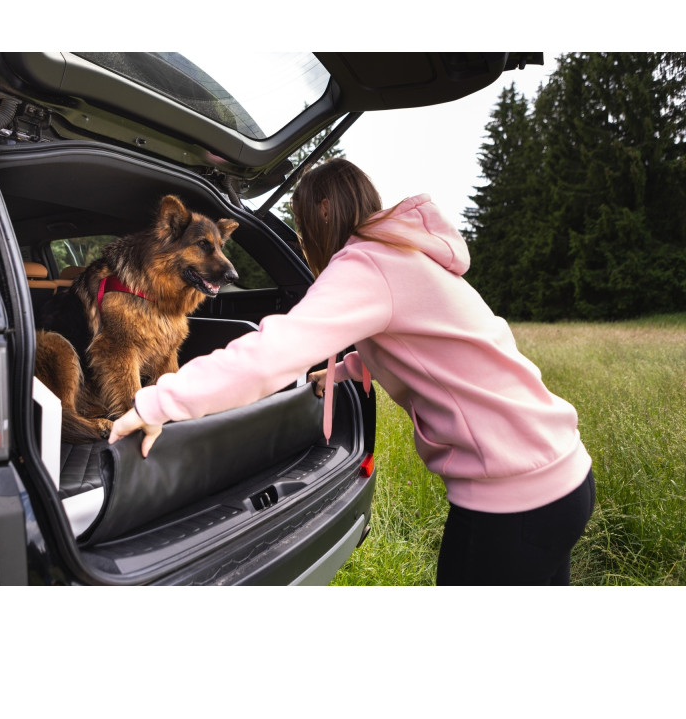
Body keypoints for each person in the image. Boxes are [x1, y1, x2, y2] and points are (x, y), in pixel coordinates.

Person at [109, 158, 595, 585]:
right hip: (561, 473)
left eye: (301, 227)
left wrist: (160, 402)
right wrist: (341, 371)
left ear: (321, 213)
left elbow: (274, 350)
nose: (303, 242)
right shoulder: (402, 254)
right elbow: (420, 345)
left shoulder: (368, 264)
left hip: (515, 499)